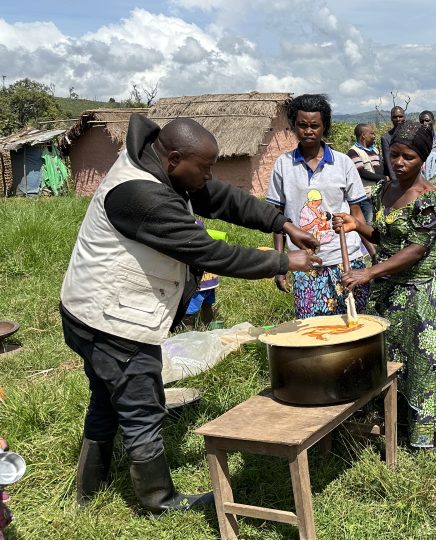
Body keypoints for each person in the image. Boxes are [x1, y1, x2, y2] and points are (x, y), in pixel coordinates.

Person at [60, 115, 323, 513]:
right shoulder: (140, 196)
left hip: (91, 310)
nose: (209, 175)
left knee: (106, 396)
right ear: (175, 160)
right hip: (110, 320)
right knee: (142, 407)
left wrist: (281, 222)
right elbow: (210, 252)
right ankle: (159, 501)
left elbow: (219, 197)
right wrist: (285, 262)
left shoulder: (163, 167)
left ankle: (88, 490)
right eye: (203, 167)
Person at [335, 121, 436, 450]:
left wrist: (369, 274)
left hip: (416, 297)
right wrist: (357, 224)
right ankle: (391, 422)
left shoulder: (430, 200)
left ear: (423, 159)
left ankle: (428, 434)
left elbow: (415, 250)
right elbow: (383, 237)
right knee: (385, 358)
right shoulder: (386, 188)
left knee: (423, 364)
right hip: (385, 295)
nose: (399, 162)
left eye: (408, 157)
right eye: (395, 155)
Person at [267, 94, 371, 318]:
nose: (308, 131)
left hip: (345, 258)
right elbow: (277, 218)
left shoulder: (343, 163)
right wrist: (279, 263)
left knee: (352, 323)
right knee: (313, 328)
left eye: (315, 125)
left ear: (325, 127)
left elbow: (356, 214)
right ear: (294, 126)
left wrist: (373, 254)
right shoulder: (283, 165)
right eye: (302, 125)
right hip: (304, 263)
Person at [346, 123, 387, 223]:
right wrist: (383, 178)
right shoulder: (353, 152)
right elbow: (361, 172)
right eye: (372, 133)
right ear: (363, 135)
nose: (374, 136)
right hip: (366, 195)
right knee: (368, 223)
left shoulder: (374, 150)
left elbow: (380, 166)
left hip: (379, 194)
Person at [380, 106, 406, 178]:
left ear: (404, 117)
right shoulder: (386, 138)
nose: (398, 119)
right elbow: (388, 161)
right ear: (391, 118)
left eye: (400, 116)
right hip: (396, 176)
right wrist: (395, 180)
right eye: (395, 117)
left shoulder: (412, 134)